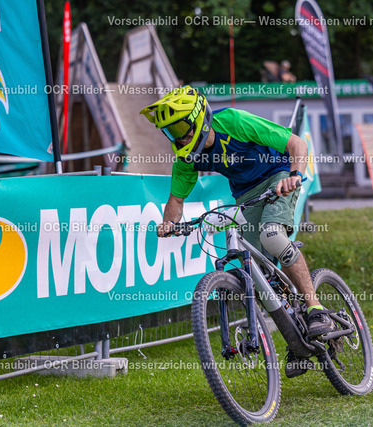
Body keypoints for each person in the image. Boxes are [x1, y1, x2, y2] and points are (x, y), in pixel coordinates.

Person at [139, 86, 333, 374]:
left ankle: (316, 309)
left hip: (278, 176)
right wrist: (169, 223)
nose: (178, 138)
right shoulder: (186, 156)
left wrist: (295, 175)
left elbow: (296, 144)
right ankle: (298, 340)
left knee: (272, 235)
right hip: (245, 195)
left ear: (199, 118)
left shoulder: (233, 121)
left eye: (180, 128)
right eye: (170, 132)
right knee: (257, 276)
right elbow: (176, 200)